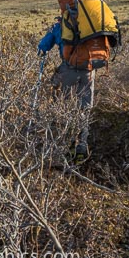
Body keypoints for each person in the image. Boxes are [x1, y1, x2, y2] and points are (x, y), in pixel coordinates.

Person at [37, 13, 94, 161]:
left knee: (66, 107)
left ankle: (67, 145)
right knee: (84, 109)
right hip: (88, 70)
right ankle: (82, 145)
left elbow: (43, 46)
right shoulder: (90, 23)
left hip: (68, 70)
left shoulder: (59, 26)